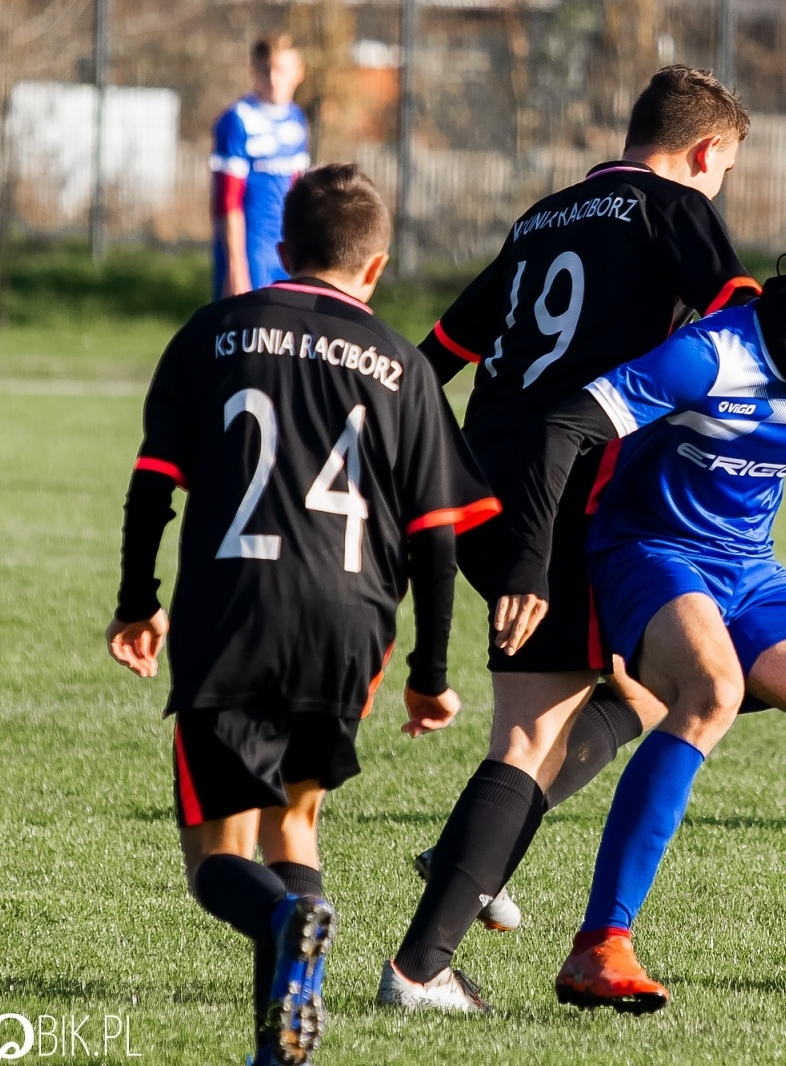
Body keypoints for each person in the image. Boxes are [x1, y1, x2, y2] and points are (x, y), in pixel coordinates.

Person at [492, 206, 786, 1033]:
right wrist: (526, 564)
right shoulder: (708, 355)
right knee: (711, 690)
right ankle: (601, 944)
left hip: (749, 569)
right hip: (647, 552)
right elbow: (563, 428)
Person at [375, 65, 765, 1014]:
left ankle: (482, 853)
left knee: (636, 686)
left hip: (479, 490)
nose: (718, 187)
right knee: (536, 731)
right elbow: (742, 327)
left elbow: (432, 359)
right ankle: (421, 965)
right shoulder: (674, 205)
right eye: (725, 170)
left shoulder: (541, 219)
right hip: (567, 501)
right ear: (707, 151)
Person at [107, 163, 498, 1065]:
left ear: (281, 252)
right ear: (376, 267)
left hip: (233, 615)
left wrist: (138, 604)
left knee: (216, 860)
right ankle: (282, 1040)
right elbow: (438, 541)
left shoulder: (213, 334)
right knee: (295, 824)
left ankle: (290, 919)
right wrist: (430, 677)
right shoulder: (403, 366)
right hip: (350, 627)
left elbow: (152, 486)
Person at [211, 31, 310, 300]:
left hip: (289, 250)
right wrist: (235, 266)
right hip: (250, 251)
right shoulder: (237, 120)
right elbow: (227, 200)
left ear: (298, 72)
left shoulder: (297, 120)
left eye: (282, 70)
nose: (275, 80)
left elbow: (298, 190)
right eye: (266, 71)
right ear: (253, 71)